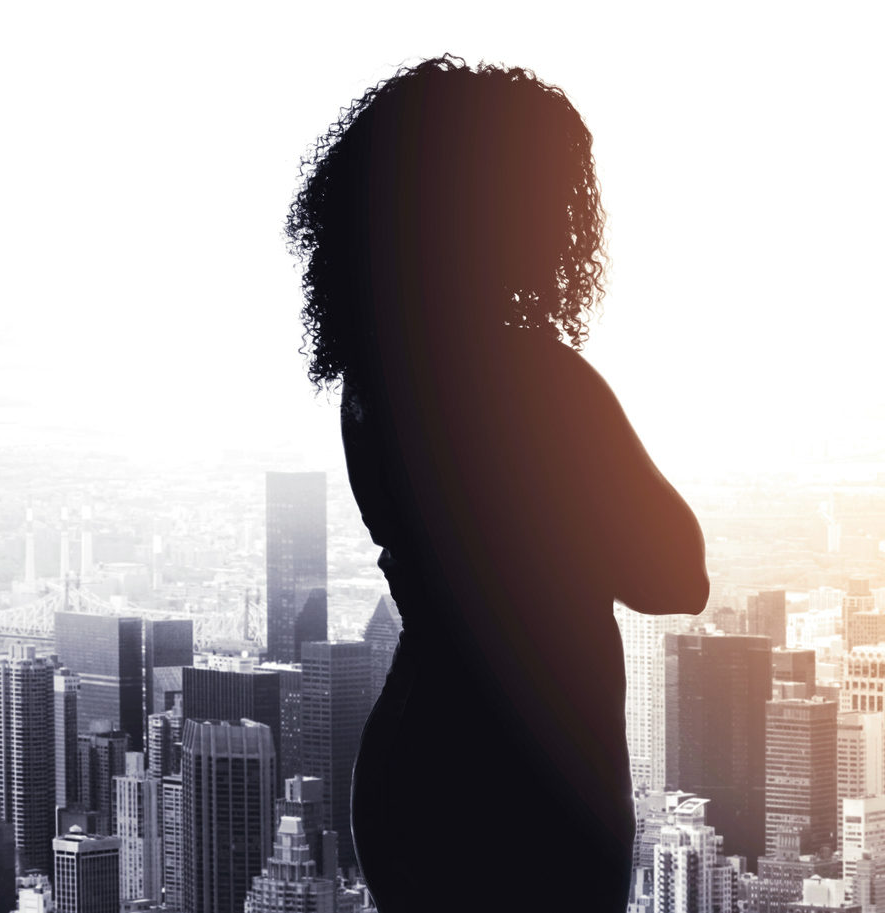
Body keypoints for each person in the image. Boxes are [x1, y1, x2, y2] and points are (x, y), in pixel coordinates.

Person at [286, 56, 708, 911]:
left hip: (417, 761)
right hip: (535, 779)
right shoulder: (536, 378)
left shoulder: (372, 381)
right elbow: (676, 575)